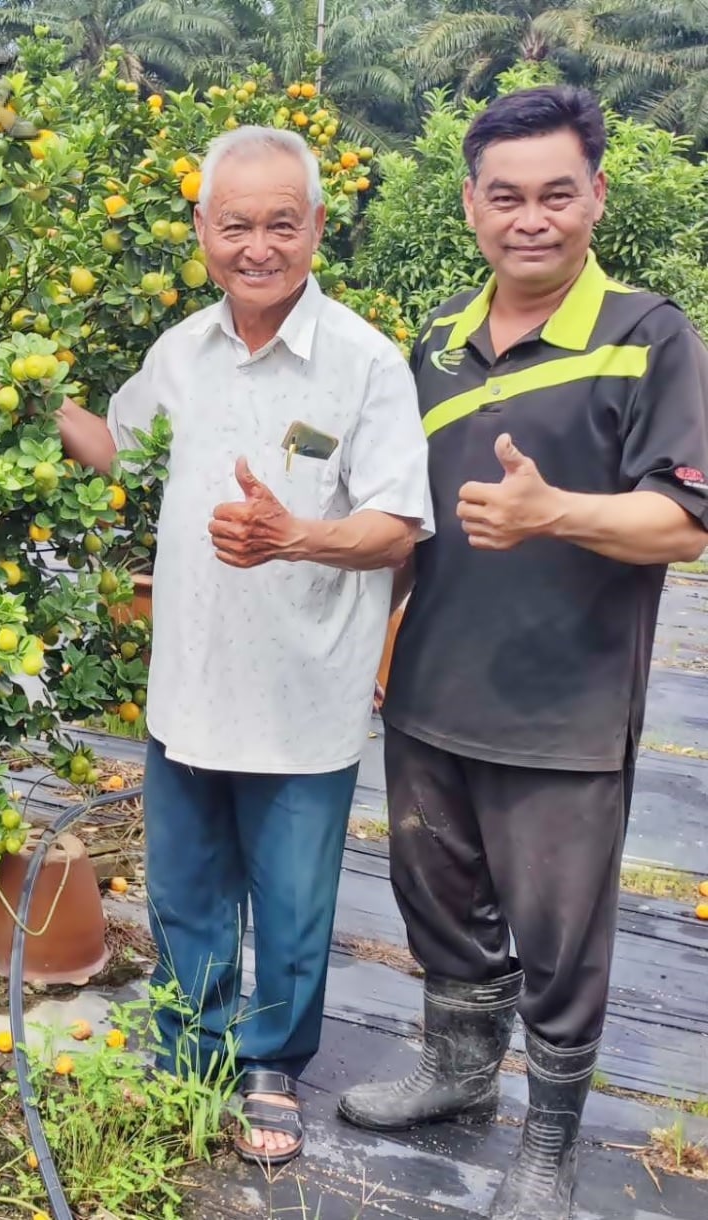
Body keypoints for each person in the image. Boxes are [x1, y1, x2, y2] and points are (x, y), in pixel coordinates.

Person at [338, 86, 708, 1219]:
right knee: (434, 893)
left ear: (596, 195)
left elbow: (687, 522)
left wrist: (556, 512)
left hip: (565, 706)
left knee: (560, 933)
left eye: (557, 193)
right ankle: (455, 1073)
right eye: (506, 196)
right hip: (432, 685)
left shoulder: (647, 335)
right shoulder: (436, 341)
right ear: (471, 205)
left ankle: (546, 1144)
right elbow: (401, 515)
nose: (531, 218)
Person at [56, 125, 432, 1167]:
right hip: (190, 683)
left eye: (280, 222)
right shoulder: (181, 350)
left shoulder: (365, 363)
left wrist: (296, 535)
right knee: (184, 888)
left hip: (304, 691)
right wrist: (38, 398)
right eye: (235, 225)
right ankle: (190, 1047)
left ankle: (270, 1062)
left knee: (296, 903)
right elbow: (118, 450)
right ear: (202, 229)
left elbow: (399, 523)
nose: (257, 245)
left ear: (317, 225)